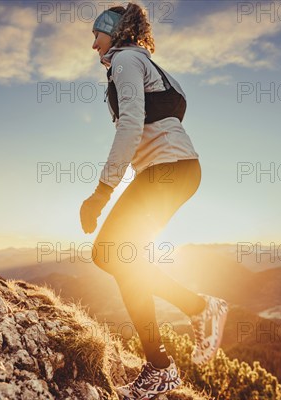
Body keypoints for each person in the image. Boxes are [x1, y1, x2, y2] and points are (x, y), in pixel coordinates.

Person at [80, 3, 228, 398]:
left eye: (98, 34)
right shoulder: (153, 68)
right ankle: (172, 346)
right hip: (176, 171)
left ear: (117, 32)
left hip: (167, 171)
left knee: (110, 253)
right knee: (118, 256)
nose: (94, 44)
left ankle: (168, 356)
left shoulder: (126, 61)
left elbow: (130, 124)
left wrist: (101, 191)